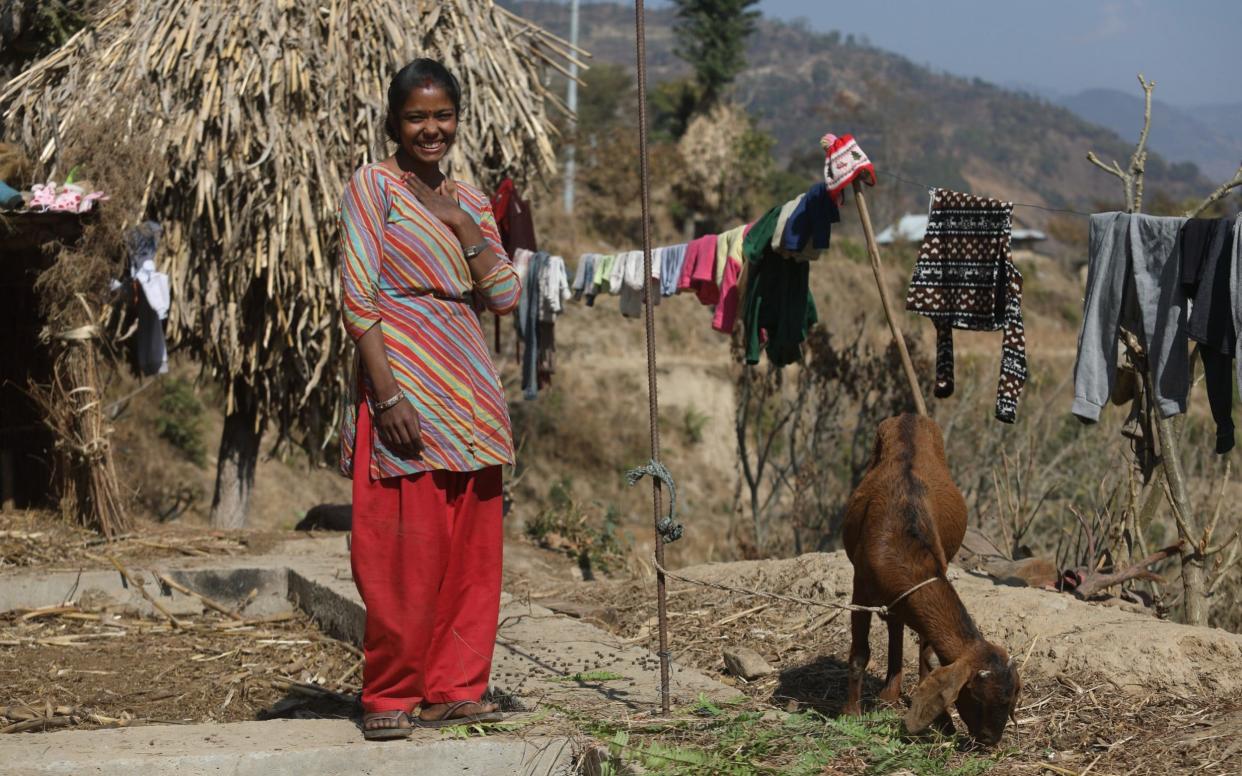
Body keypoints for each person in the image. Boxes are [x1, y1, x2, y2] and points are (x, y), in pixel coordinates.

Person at [337, 59, 521, 740]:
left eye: (442, 115)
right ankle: (389, 696)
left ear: (457, 119)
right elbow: (358, 299)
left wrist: (461, 224)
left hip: (469, 387)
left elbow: (503, 295)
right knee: (402, 553)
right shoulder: (373, 188)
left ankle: (454, 688)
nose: (431, 128)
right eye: (417, 116)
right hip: (405, 384)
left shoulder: (470, 199)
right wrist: (387, 397)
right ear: (394, 121)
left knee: (473, 556)